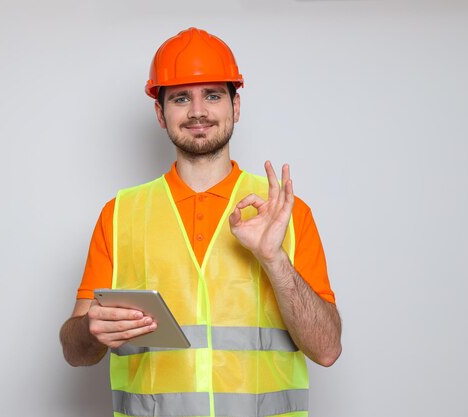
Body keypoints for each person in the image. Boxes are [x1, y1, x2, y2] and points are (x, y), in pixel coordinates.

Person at [60, 27, 342, 417]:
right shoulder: (121, 213)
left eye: (212, 95)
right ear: (160, 113)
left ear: (235, 107)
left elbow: (327, 350)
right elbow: (75, 352)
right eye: (180, 98)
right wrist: (91, 330)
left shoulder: (286, 213)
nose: (197, 111)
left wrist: (274, 259)